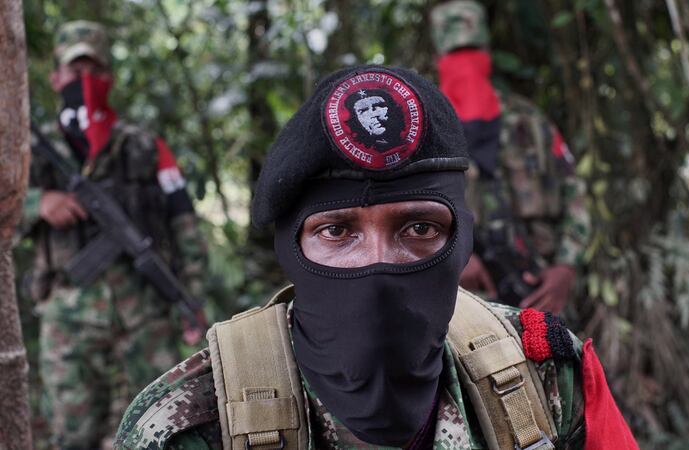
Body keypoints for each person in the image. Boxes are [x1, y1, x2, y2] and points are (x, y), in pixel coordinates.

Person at [115, 65, 637, 450]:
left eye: (419, 228)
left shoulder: (546, 377)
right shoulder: (187, 426)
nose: (378, 265)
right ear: (290, 249)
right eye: (337, 231)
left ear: (460, 238)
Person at [20, 21, 208, 449]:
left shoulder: (145, 146)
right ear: (55, 79)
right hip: (68, 318)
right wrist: (39, 203)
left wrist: (191, 299)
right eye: (73, 70)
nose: (84, 81)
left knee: (161, 427)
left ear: (109, 77)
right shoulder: (29, 151)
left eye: (94, 69)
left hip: (145, 317)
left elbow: (184, 225)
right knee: (74, 435)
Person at [431, 1, 592, 313]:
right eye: (454, 55)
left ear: (488, 55)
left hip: (543, 290)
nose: (464, 65)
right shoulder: (425, 130)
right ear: (438, 60)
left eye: (473, 51)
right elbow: (401, 212)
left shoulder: (530, 121)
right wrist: (451, 255)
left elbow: (575, 194)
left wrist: (565, 268)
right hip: (466, 307)